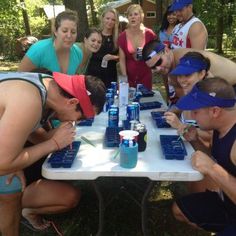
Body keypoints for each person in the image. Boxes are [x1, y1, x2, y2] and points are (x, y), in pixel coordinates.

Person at [0, 72, 106, 236]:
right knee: (10, 185)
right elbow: (2, 164)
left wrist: (53, 138)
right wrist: (54, 143)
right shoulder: (29, 101)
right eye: (81, 117)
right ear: (72, 102)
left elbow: (31, 133)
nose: (78, 122)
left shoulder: (48, 86)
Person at [171, 77, 236, 236]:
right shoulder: (219, 127)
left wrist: (212, 169)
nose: (192, 117)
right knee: (178, 210)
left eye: (196, 111)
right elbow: (217, 160)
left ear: (215, 111)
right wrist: (195, 141)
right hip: (227, 203)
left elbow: (214, 166)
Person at [142, 39, 236, 94]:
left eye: (159, 62)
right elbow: (183, 97)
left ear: (166, 51)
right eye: (153, 67)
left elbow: (209, 91)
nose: (157, 68)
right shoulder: (169, 67)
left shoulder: (184, 59)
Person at [18, 10, 83, 74]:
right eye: (64, 31)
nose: (69, 35)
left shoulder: (78, 54)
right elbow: (19, 78)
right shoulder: (38, 50)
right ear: (55, 31)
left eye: (73, 32)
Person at [118, 4, 156, 90]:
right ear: (127, 18)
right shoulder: (122, 36)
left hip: (145, 75)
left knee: (145, 100)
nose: (132, 17)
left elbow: (156, 53)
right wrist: (124, 77)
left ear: (141, 16)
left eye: (135, 14)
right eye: (130, 15)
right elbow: (122, 60)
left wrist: (147, 57)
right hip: (129, 77)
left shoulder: (149, 34)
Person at [86, 8, 119, 88]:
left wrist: (112, 57)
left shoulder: (117, 37)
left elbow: (123, 56)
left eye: (113, 20)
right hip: (93, 72)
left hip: (110, 74)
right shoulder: (96, 34)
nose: (110, 22)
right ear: (102, 18)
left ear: (116, 22)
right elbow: (86, 50)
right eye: (107, 18)